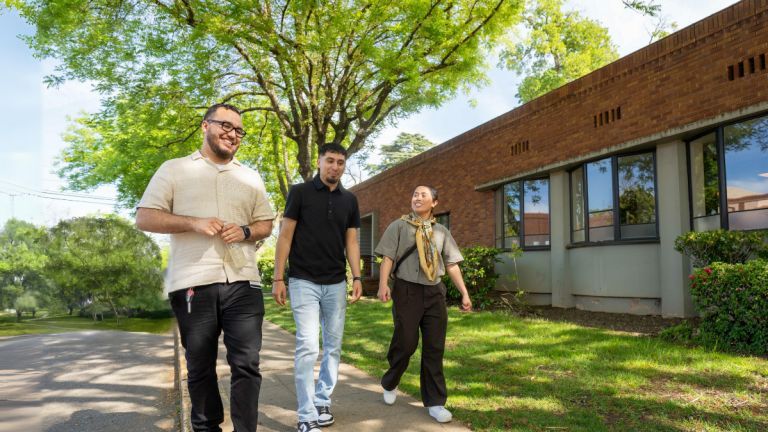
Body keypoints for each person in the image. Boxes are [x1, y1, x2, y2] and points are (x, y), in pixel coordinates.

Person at [136, 103, 274, 432]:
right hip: (192, 282)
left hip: (243, 281)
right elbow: (144, 217)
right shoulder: (174, 169)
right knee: (199, 366)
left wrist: (245, 231)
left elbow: (265, 223)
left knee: (247, 364)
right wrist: (193, 223)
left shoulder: (250, 176)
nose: (232, 134)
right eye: (225, 125)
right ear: (205, 126)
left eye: (239, 130)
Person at [273, 143, 363, 432]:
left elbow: (351, 241)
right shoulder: (299, 193)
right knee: (308, 346)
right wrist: (278, 278)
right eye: (330, 161)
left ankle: (323, 400)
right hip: (303, 281)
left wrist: (357, 277)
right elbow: (285, 236)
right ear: (319, 162)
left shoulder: (350, 200)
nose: (335, 167)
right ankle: (306, 414)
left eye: (340, 162)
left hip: (336, 283)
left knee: (333, 347)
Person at [375, 185, 472, 423]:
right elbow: (387, 257)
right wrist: (383, 284)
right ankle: (391, 380)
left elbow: (451, 264)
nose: (417, 198)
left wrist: (464, 293)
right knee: (406, 342)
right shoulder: (398, 226)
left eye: (423, 195)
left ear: (434, 203)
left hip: (434, 291)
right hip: (406, 289)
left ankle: (435, 402)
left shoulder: (441, 232)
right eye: (415, 195)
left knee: (434, 347)